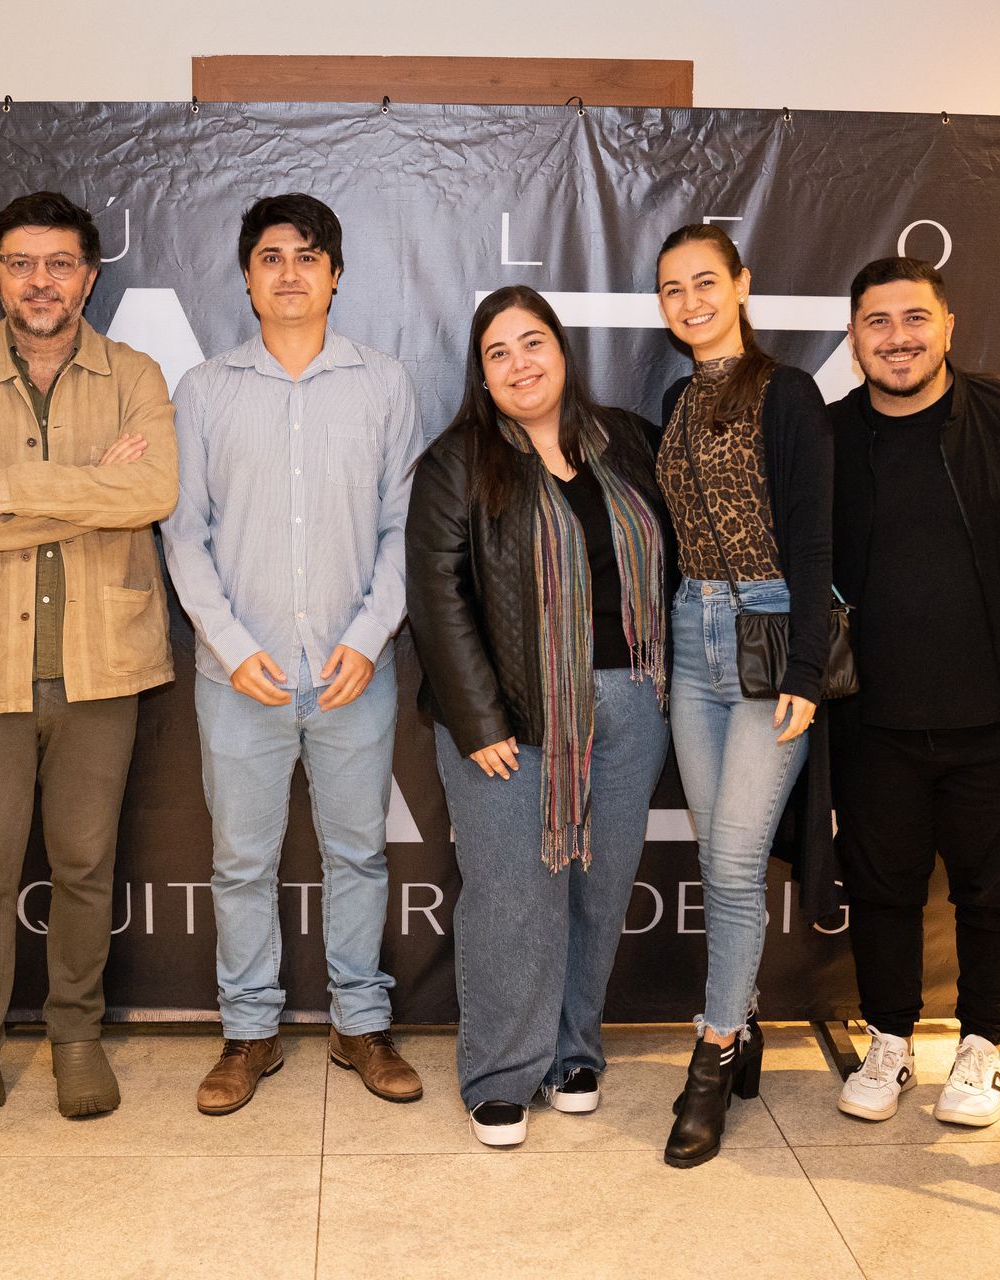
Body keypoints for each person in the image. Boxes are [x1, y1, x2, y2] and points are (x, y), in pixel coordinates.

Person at [0, 191, 177, 1153]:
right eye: (22, 262)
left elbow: (155, 491)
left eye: (61, 263)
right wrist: (98, 492)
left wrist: (4, 487)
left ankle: (75, 1037)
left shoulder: (133, 374)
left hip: (104, 667)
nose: (41, 281)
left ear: (90, 275)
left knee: (85, 867)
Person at [162, 193, 424, 1115]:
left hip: (356, 672)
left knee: (358, 856)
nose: (289, 272)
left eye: (308, 256)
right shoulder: (203, 390)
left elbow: (405, 530)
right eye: (270, 257)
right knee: (241, 863)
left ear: (336, 273)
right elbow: (183, 535)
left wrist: (368, 635)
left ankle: (361, 1024)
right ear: (245, 275)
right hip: (241, 679)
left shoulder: (385, 384)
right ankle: (249, 1035)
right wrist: (230, 647)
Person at [407, 286, 671, 1147]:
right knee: (515, 897)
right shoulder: (458, 463)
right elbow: (438, 599)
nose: (520, 364)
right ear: (482, 377)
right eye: (498, 353)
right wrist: (478, 720)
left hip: (629, 703)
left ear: (561, 351)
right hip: (511, 719)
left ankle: (574, 1051)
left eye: (533, 343)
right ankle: (500, 1071)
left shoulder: (627, 441)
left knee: (599, 888)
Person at [829, 257, 1000, 1127]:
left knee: (997, 893)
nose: (898, 338)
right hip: (872, 720)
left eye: (914, 318)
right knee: (882, 888)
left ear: (948, 325)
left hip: (999, 717)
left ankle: (983, 1046)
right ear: (854, 338)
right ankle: (889, 1042)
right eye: (877, 322)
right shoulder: (827, 438)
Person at [650, 225, 835, 1167]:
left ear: (742, 286)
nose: (690, 301)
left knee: (729, 863)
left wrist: (807, 670)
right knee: (722, 858)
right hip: (692, 636)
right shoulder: (679, 400)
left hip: (770, 640)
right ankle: (745, 1018)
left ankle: (714, 1054)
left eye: (705, 283)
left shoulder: (788, 392)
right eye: (672, 289)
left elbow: (812, 540)